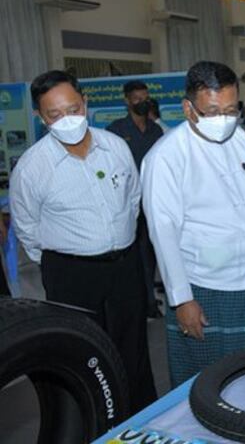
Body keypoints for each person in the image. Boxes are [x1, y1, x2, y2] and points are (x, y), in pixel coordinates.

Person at [10, 70, 156, 413]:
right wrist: (63, 261)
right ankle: (94, 423)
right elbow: (27, 227)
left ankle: (139, 419)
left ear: (85, 103)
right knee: (82, 354)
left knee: (133, 349)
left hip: (124, 266)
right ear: (39, 117)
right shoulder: (32, 167)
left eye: (73, 109)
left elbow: (133, 199)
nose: (67, 120)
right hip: (71, 273)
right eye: (54, 115)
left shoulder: (115, 147)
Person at [141, 61, 245, 386]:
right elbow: (163, 232)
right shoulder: (166, 157)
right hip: (205, 284)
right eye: (212, 111)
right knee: (207, 380)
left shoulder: (239, 138)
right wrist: (182, 299)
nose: (223, 120)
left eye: (231, 110)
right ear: (189, 109)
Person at [107, 80, 164, 319]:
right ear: (127, 101)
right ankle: (145, 303)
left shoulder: (156, 130)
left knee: (151, 252)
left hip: (154, 201)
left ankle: (149, 295)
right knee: (136, 254)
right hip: (128, 203)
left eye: (145, 97)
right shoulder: (116, 131)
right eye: (137, 99)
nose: (142, 102)